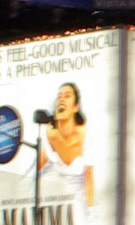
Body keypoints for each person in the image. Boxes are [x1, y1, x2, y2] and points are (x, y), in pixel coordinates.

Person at [37, 82, 93, 212]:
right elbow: (40, 162)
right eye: (59, 96)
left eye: (67, 96)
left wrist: (90, 210)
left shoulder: (86, 135)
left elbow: (89, 177)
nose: (61, 99)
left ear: (75, 107)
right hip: (54, 200)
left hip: (78, 200)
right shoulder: (51, 133)